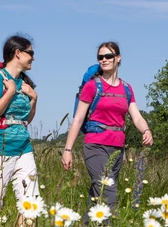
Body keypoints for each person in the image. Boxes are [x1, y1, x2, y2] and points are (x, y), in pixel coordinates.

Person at [61, 41, 152, 216]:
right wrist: (67, 150)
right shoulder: (92, 86)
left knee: (98, 191)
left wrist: (146, 131)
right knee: (108, 188)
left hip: (117, 147)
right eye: (100, 57)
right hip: (95, 145)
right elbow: (78, 119)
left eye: (108, 56)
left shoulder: (126, 88)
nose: (104, 60)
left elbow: (136, 116)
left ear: (118, 58)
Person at [0, 34, 40, 211]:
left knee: (31, 205)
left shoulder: (24, 83)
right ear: (18, 53)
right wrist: (10, 92)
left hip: (23, 147)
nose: (33, 57)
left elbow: (26, 120)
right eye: (30, 52)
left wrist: (34, 98)